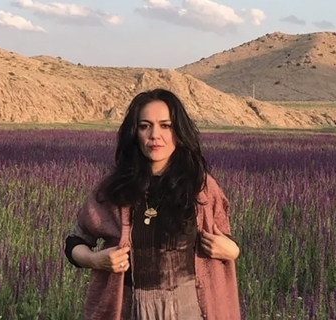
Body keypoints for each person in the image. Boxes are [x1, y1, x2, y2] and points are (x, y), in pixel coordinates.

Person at [63, 88, 242, 320]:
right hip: (130, 311)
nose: (154, 135)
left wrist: (233, 250)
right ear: (134, 133)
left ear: (179, 131)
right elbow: (75, 242)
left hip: (190, 311)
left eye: (165, 125)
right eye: (145, 126)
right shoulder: (114, 189)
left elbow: (224, 238)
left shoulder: (201, 187)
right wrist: (95, 260)